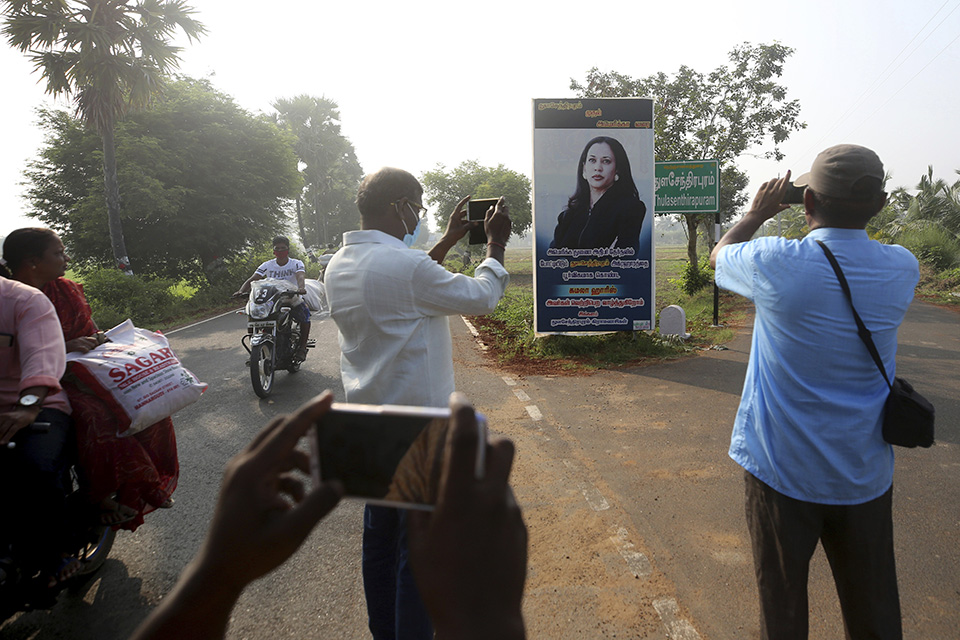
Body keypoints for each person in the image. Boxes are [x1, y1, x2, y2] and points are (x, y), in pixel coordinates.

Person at [710, 144, 919, 640]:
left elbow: (720, 257)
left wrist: (757, 213)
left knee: (782, 611)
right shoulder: (901, 268)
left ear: (806, 205)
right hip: (864, 473)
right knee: (874, 612)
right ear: (880, 204)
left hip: (781, 470)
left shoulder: (777, 262)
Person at [128, 391, 528, 640]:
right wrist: (484, 624)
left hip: (374, 455)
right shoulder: (411, 264)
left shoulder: (338, 266)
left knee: (380, 553)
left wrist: (217, 573)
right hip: (420, 446)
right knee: (405, 558)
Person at [324, 167, 512, 639]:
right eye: (418, 204)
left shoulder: (340, 263)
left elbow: (408, 284)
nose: (420, 214)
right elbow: (483, 297)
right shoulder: (406, 269)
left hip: (365, 423)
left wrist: (448, 239)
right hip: (417, 428)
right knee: (421, 553)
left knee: (380, 542)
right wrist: (495, 245)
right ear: (400, 205)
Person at [3, 228, 179, 530]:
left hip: (74, 376)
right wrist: (65, 347)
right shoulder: (16, 298)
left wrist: (97, 339)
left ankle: (145, 485)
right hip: (47, 380)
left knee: (141, 402)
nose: (66, 258)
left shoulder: (65, 290)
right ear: (32, 262)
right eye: (58, 253)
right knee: (94, 415)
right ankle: (100, 496)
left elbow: (90, 329)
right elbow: (37, 351)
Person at [0, 266, 78, 590]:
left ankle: (54, 554)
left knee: (35, 468)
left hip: (36, 405)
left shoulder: (24, 300)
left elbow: (43, 355)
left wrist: (28, 405)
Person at [549, 136, 645, 252]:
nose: (598, 168)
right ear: (584, 168)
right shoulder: (567, 216)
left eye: (606, 161)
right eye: (592, 160)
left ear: (617, 169)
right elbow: (552, 257)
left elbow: (626, 258)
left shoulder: (630, 208)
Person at [234, 235, 311, 361]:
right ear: (273, 251)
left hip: (290, 298)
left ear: (288, 249)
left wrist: (300, 288)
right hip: (272, 299)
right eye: (277, 249)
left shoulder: (296, 263)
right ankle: (255, 349)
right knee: (252, 315)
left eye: (283, 248)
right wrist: (241, 291)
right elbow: (253, 279)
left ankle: (302, 347)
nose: (280, 251)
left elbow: (300, 276)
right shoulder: (267, 265)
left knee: (305, 315)